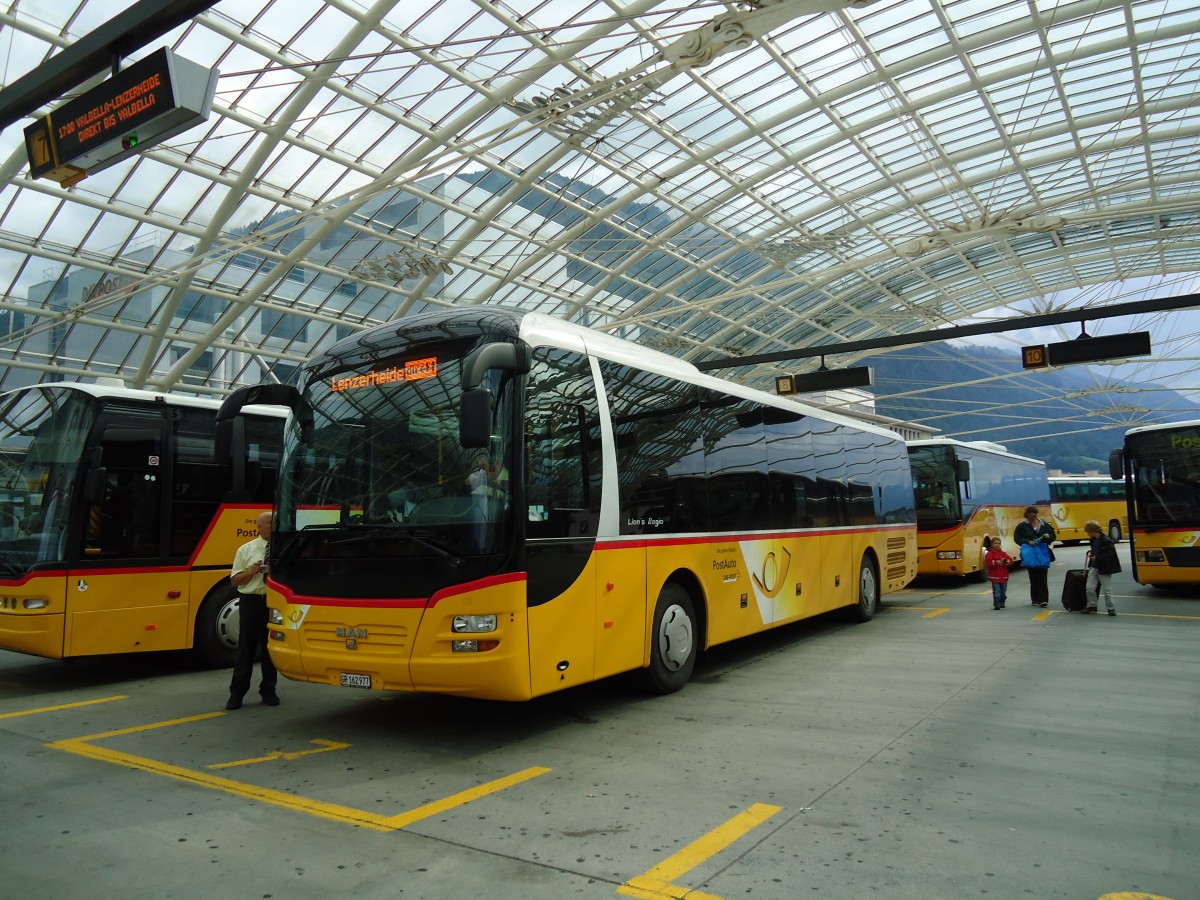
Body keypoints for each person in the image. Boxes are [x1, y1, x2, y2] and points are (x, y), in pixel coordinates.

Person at [225, 511, 279, 710]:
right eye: (270, 523)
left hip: (273, 602)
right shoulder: (245, 550)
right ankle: (237, 693)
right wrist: (252, 571)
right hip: (251, 601)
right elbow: (234, 581)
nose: (274, 526)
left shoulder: (281, 549)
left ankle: (269, 690)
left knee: (270, 648)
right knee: (246, 648)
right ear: (260, 527)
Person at [1013, 505, 1056, 607]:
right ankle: (1035, 599)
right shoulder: (1022, 526)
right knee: (1033, 578)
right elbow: (1017, 538)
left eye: (1034, 516)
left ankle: (1044, 600)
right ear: (1027, 515)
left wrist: (1048, 536)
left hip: (1042, 552)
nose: (1033, 518)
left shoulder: (1044, 524)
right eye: (1031, 516)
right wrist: (1028, 542)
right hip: (1030, 553)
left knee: (1042, 577)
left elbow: (1053, 535)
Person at [1082, 519, 1120, 615]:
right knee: (1089, 587)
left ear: (1092, 531)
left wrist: (1097, 557)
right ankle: (1092, 605)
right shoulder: (1095, 540)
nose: (1088, 534)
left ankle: (1110, 608)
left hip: (1104, 567)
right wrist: (1092, 554)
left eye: (1088, 532)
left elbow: (1111, 555)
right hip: (1095, 566)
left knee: (1107, 589)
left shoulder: (1106, 540)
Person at [984, 537, 1014, 610]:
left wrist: (1007, 562)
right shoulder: (989, 554)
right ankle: (997, 604)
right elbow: (988, 563)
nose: (997, 545)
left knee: (1003, 592)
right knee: (997, 591)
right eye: (995, 543)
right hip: (995, 577)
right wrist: (995, 562)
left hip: (1004, 576)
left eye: (999, 543)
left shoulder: (1003, 553)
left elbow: (1010, 560)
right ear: (992, 544)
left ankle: (1002, 602)